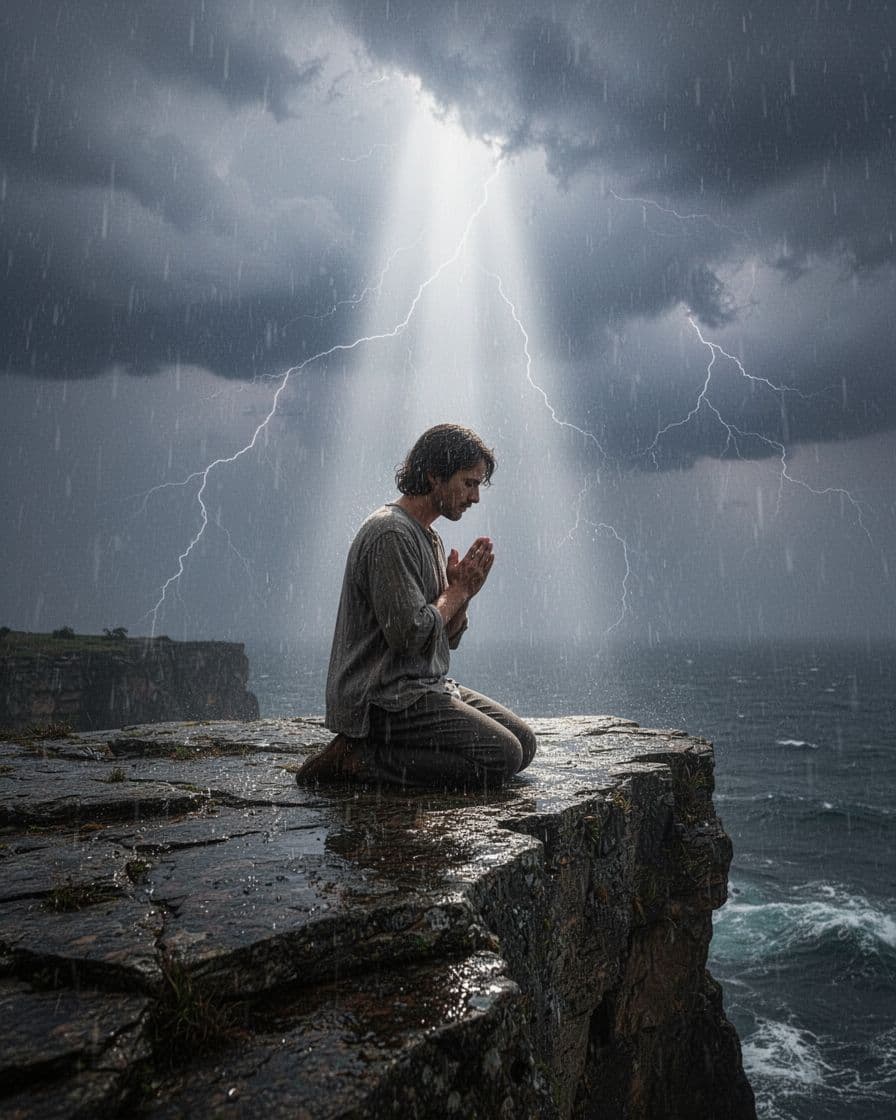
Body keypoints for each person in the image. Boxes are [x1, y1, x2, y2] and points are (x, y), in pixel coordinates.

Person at [296, 423, 536, 790]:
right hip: (381, 697)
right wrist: (457, 591)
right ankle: (358, 760)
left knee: (525, 744)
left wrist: (465, 593)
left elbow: (445, 638)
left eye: (478, 485)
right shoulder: (391, 534)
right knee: (501, 757)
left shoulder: (430, 537)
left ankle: (379, 754)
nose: (475, 498)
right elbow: (410, 636)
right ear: (434, 476)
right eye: (468, 483)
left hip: (421, 686)